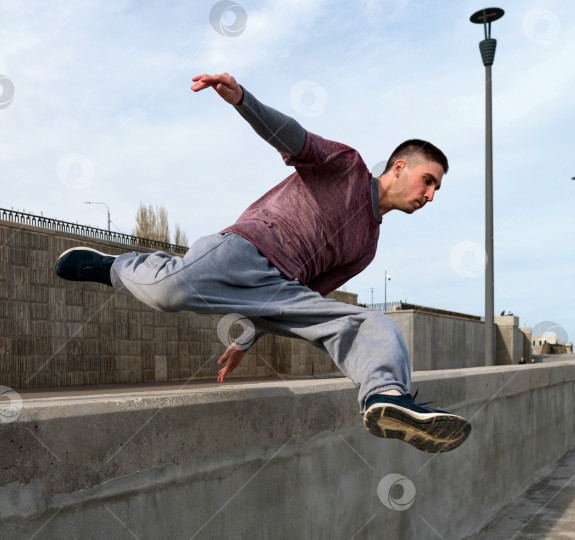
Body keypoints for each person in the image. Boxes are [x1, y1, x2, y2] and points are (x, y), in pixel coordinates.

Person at [55, 72, 470, 454]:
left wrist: (248, 337)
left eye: (437, 188)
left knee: (372, 323)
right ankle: (110, 267)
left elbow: (307, 303)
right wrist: (243, 100)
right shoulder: (348, 167)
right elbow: (292, 138)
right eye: (428, 181)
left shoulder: (367, 248)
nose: (430, 195)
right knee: (168, 291)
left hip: (281, 288)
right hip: (248, 247)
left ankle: (387, 399)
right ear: (400, 168)